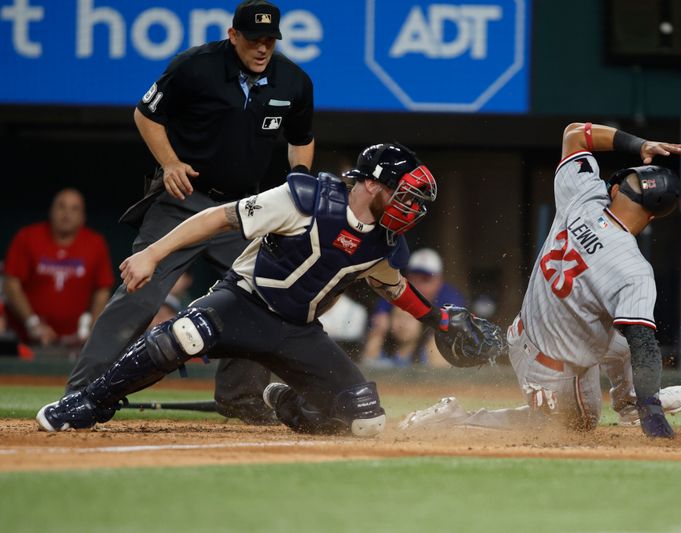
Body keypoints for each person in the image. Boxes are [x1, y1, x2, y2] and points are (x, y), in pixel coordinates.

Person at [36, 143, 499, 437]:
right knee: (183, 337)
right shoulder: (305, 197)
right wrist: (153, 254)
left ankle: (288, 401)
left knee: (366, 420)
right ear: (373, 182)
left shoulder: (383, 241)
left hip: (298, 332)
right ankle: (87, 402)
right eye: (403, 195)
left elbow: (392, 286)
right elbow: (217, 217)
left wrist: (437, 318)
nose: (410, 209)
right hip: (242, 302)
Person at [64, 0, 315, 424]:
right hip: (184, 199)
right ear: (233, 35)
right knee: (139, 291)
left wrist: (302, 175)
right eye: (254, 39)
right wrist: (170, 162)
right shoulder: (195, 66)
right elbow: (147, 114)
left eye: (270, 40)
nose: (262, 48)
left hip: (240, 208)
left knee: (266, 293)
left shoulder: (293, 80)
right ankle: (80, 394)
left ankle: (241, 397)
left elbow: (301, 137)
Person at [401, 122, 681, 438]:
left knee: (621, 335)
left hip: (525, 333)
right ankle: (458, 419)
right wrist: (655, 416)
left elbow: (574, 134)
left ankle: (631, 404)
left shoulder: (584, 195)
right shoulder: (632, 268)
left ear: (615, 188)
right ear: (652, 217)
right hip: (552, 371)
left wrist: (638, 144)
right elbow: (644, 343)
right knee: (574, 427)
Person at [3, 189, 113, 348]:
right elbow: (11, 284)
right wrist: (32, 323)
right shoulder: (27, 237)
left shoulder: (95, 243)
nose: (67, 213)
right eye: (61, 207)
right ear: (51, 211)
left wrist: (90, 328)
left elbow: (102, 289)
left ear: (83, 217)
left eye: (74, 209)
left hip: (76, 340)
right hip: (26, 338)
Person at [362, 248, 466, 366]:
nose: (419, 284)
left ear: (439, 280)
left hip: (425, 351)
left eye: (425, 279)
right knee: (378, 331)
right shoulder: (395, 290)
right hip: (393, 349)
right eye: (415, 277)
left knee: (439, 342)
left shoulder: (450, 297)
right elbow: (380, 321)